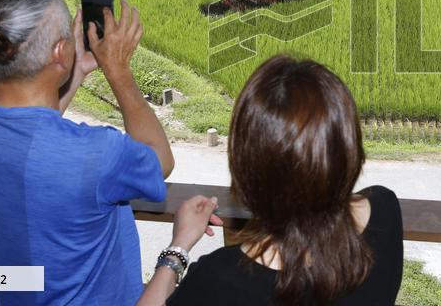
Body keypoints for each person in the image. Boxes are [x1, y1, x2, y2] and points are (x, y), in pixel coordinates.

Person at [0, 0, 175, 305]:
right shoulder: (95, 154)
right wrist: (118, 71)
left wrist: (72, 73)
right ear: (61, 51)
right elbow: (160, 160)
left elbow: (28, 133)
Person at [139, 55, 403, 306]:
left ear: (246, 166)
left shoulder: (219, 280)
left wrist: (178, 247)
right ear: (347, 147)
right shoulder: (385, 211)